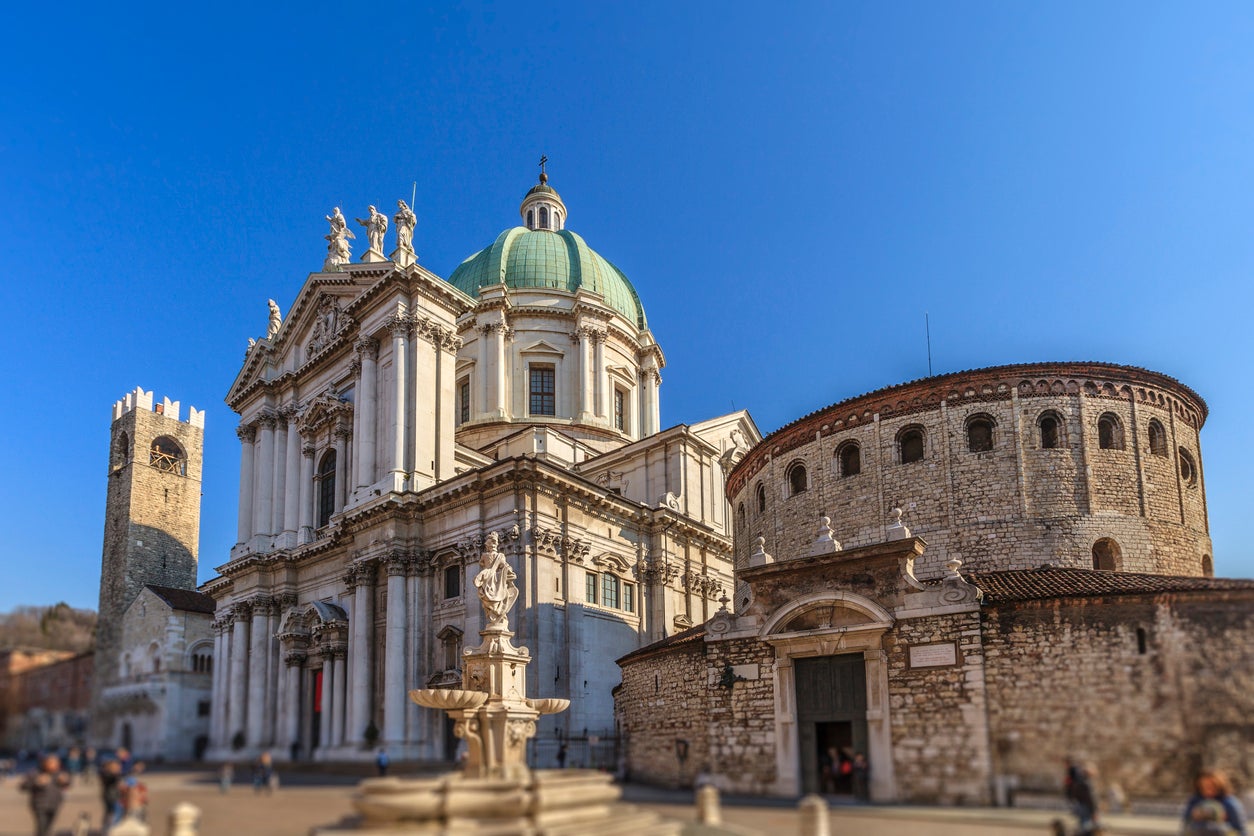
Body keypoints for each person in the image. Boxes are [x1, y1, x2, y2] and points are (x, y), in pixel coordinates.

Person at [1183, 769, 1247, 835]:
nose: (1208, 789)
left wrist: (1222, 825)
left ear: (1219, 784)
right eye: (1203, 786)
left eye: (1211, 785)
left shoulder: (1230, 803)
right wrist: (1193, 818)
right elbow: (1185, 828)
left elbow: (1241, 831)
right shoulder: (1194, 802)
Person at [20, 753, 71, 836]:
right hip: (40, 805)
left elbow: (68, 783)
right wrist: (37, 782)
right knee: (41, 827)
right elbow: (23, 786)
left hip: (54, 804)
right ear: (45, 763)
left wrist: (65, 781)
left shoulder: (59, 774)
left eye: (56, 763)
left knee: (48, 827)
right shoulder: (36, 773)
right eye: (51, 763)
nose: (54, 765)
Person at [1063, 757, 1100, 835]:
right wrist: (1094, 812)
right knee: (1085, 828)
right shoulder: (1087, 784)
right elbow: (1090, 799)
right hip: (1086, 807)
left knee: (1082, 826)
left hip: (1079, 805)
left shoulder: (1079, 782)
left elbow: (1074, 794)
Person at [99, 758, 124, 831]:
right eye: (115, 767)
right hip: (111, 797)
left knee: (112, 813)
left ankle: (109, 828)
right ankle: (109, 829)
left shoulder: (110, 774)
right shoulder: (107, 775)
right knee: (113, 814)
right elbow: (113, 779)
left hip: (114, 797)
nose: (118, 768)